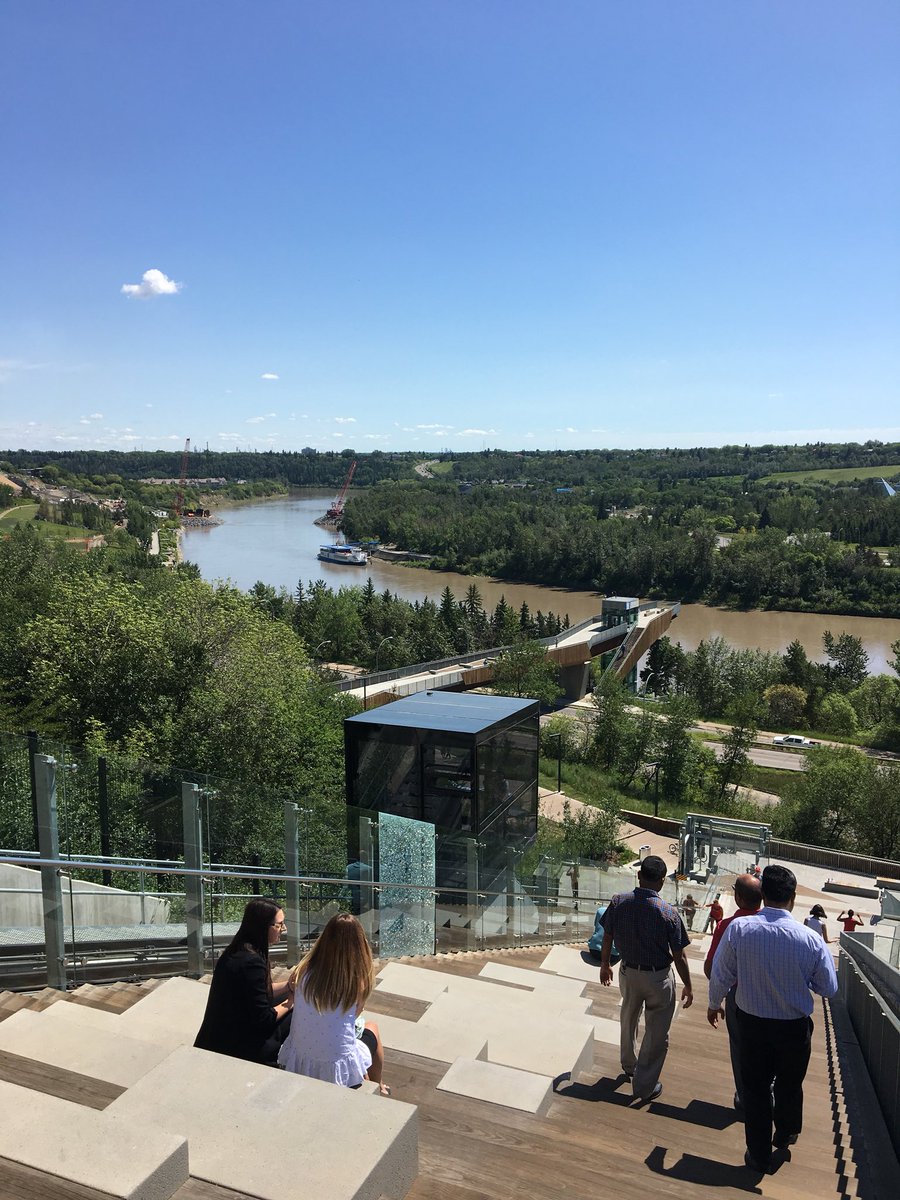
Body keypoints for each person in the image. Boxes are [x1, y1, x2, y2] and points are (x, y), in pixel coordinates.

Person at [708, 864, 838, 1175]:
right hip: (793, 1029)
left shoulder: (740, 929)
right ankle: (787, 1131)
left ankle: (759, 1155)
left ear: (763, 895)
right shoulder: (810, 939)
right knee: (790, 1084)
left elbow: (721, 973)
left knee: (755, 1089)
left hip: (751, 1023)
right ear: (793, 898)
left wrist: (714, 1004)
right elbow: (829, 988)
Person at [598, 854, 693, 1104]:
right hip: (658, 977)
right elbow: (679, 955)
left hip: (628, 972)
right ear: (662, 882)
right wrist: (689, 986)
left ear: (638, 876)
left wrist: (605, 964)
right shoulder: (669, 913)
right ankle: (644, 1085)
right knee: (657, 1031)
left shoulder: (619, 902)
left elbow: (607, 935)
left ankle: (629, 1065)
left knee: (628, 1017)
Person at [278, 912, 390, 1094]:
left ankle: (374, 1083)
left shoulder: (304, 970)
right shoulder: (356, 981)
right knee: (372, 1028)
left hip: (301, 1057)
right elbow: (356, 1014)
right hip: (336, 1063)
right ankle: (377, 1087)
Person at [195, 897, 294, 1063]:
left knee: (285, 998)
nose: (284, 928)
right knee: (296, 1014)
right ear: (263, 926)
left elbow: (257, 993)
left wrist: (287, 986)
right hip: (236, 1049)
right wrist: (292, 1001)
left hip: (216, 1038)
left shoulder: (237, 951)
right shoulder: (252, 962)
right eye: (279, 924)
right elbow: (264, 1019)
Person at [702, 874, 762, 1111]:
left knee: (740, 1048)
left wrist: (715, 1001)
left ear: (737, 898)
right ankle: (767, 1092)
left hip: (738, 997)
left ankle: (745, 1098)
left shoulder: (727, 926)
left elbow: (712, 968)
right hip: (769, 996)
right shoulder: (773, 925)